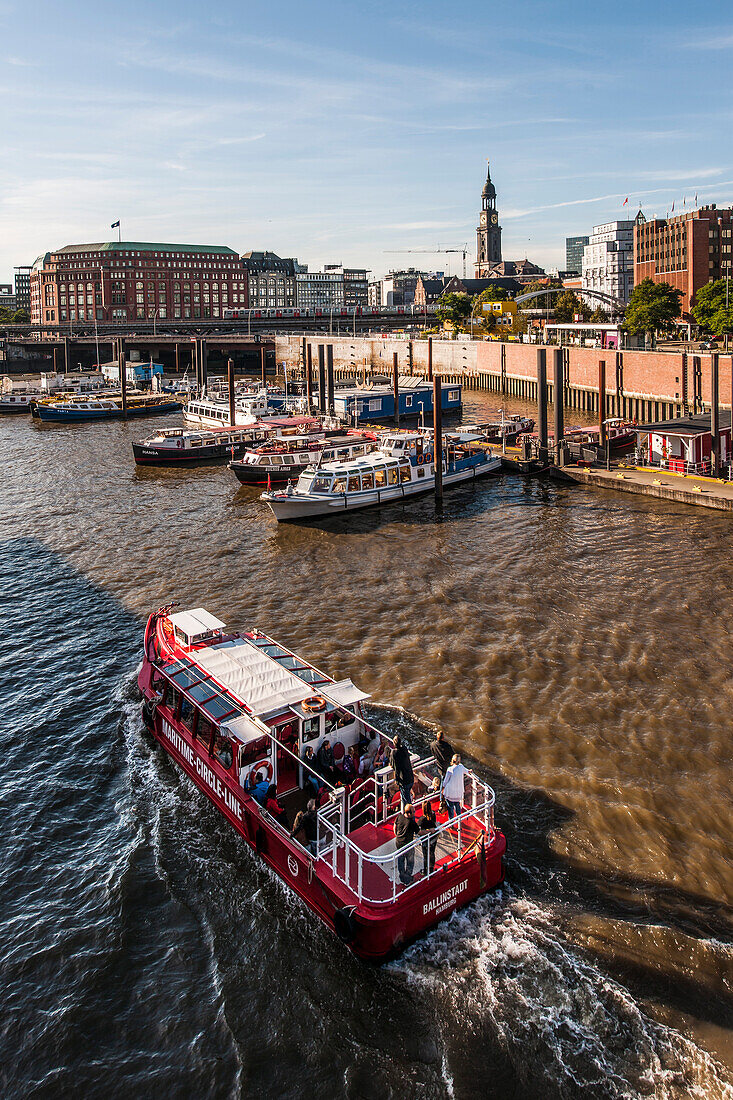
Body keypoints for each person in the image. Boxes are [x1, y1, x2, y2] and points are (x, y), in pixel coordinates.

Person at [394, 803, 419, 886]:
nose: (414, 813)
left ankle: (402, 877)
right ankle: (407, 880)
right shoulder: (411, 823)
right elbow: (419, 832)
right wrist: (430, 831)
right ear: (409, 813)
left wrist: (397, 836)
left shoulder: (399, 816)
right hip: (407, 846)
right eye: (413, 812)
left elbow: (394, 827)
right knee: (410, 862)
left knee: (401, 861)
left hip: (399, 843)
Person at [390, 734, 414, 809]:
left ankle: (410, 817)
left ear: (394, 744)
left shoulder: (393, 753)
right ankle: (405, 813)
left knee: (407, 802)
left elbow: (392, 765)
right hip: (410, 777)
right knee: (406, 798)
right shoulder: (404, 749)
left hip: (403, 781)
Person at [441, 754, 468, 820]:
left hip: (450, 792)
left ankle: (451, 822)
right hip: (458, 792)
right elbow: (466, 771)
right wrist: (469, 771)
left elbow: (445, 781)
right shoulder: (461, 767)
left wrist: (443, 789)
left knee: (450, 808)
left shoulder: (450, 769)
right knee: (457, 805)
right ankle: (459, 819)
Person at [419, 800, 438, 875]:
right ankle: (431, 868)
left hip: (426, 840)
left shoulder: (422, 819)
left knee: (425, 855)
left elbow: (419, 830)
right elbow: (434, 824)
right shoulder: (433, 814)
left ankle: (425, 870)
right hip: (433, 839)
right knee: (432, 853)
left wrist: (427, 831)